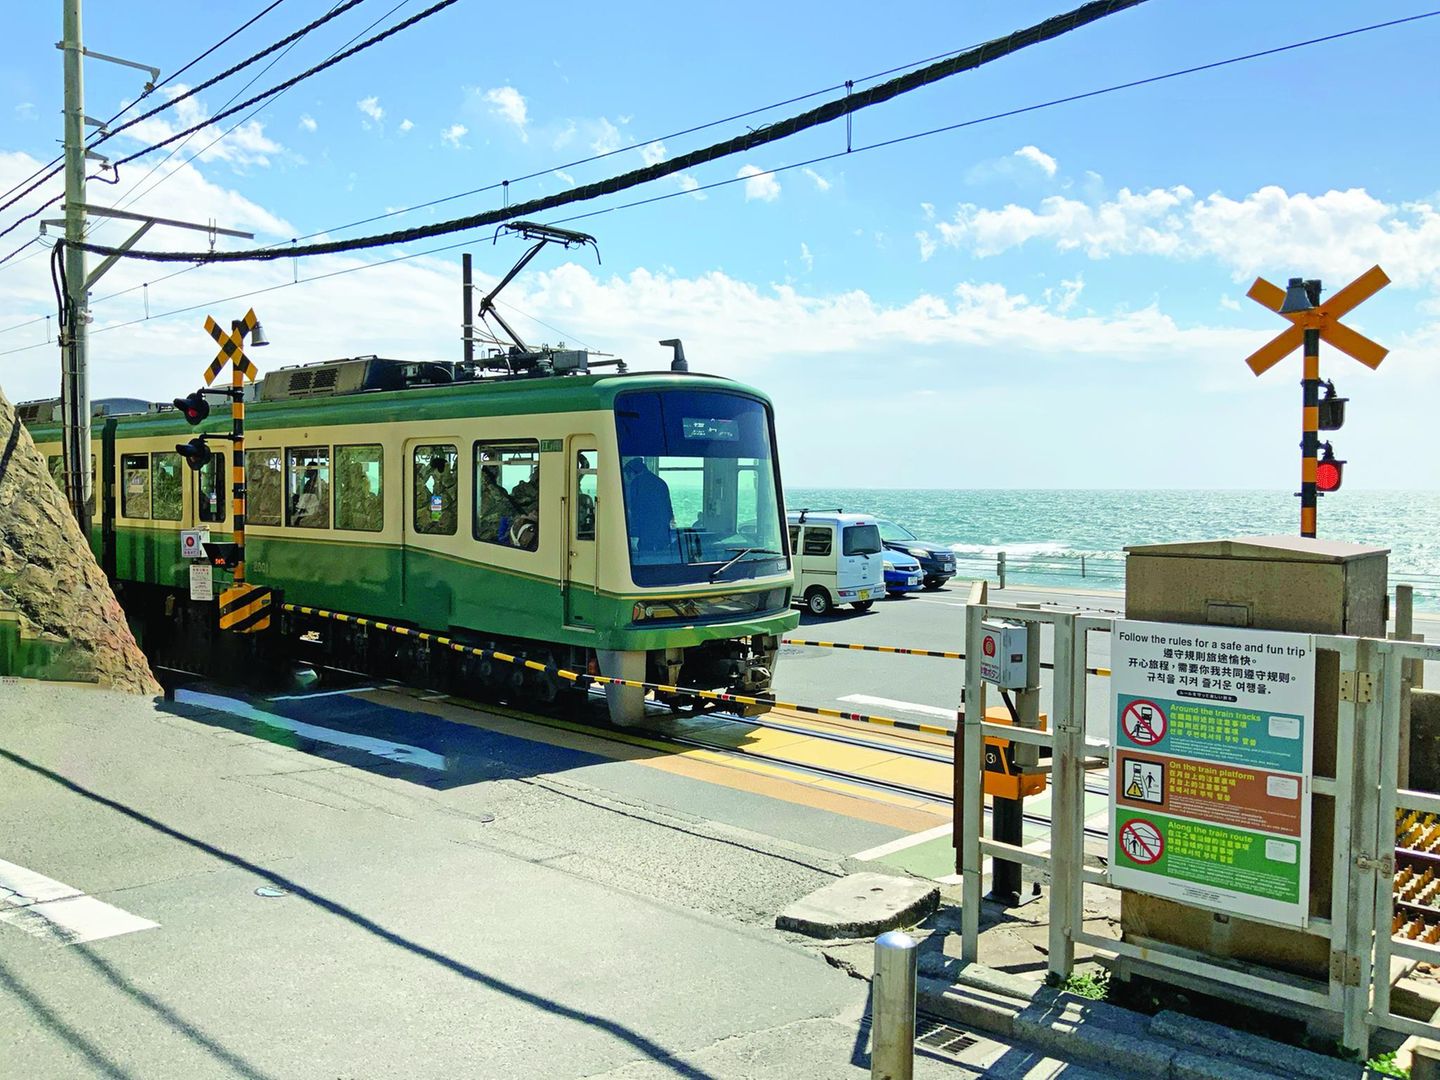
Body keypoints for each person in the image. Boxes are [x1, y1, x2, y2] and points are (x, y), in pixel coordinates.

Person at [622, 457, 674, 553]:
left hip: (645, 535)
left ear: (632, 473)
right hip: (663, 536)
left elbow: (635, 511)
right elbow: (669, 512)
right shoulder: (661, 483)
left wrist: (633, 533)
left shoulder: (636, 483)